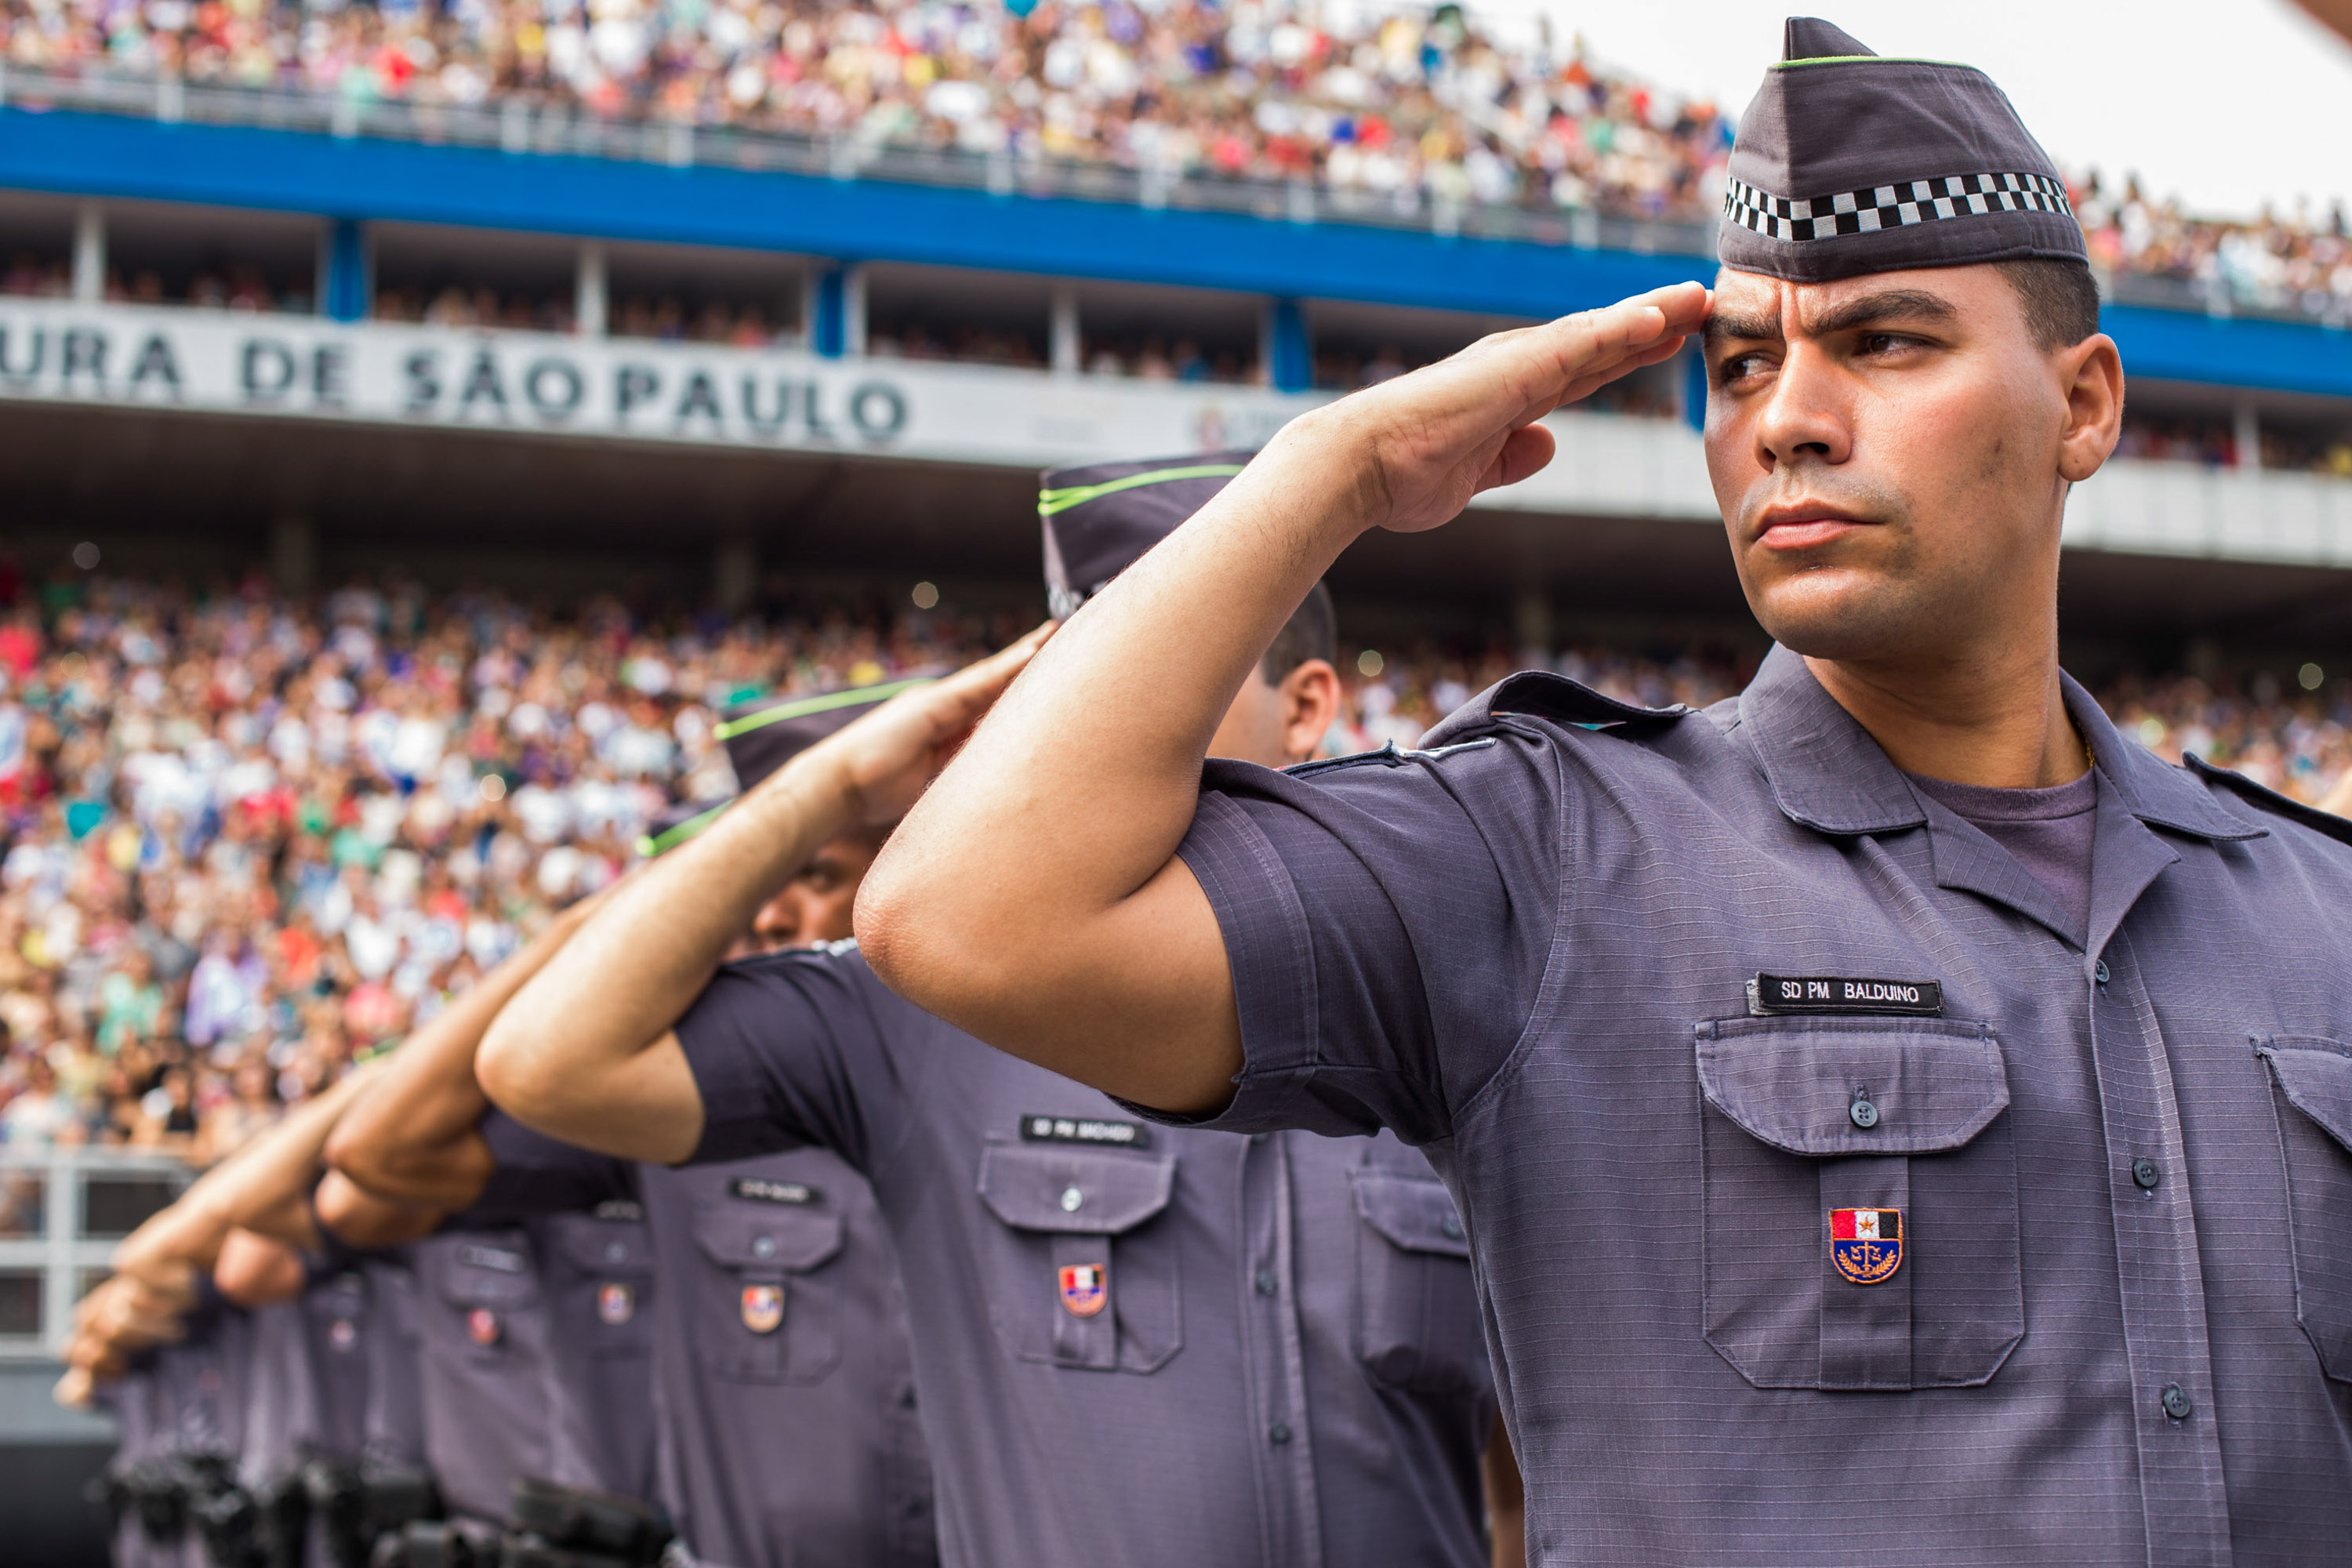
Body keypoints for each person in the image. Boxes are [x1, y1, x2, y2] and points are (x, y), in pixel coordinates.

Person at [851, 17, 2352, 1566]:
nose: (1788, 418)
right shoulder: (1548, 852)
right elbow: (965, 917)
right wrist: (1335, 469)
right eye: (1742, 364)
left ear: (2085, 406)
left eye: (1888, 342)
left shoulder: (2317, 910)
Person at [476, 586, 1521, 1566]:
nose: (1114, 718)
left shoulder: (1447, 1004)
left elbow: (1518, 1470)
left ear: (1305, 709)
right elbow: (549, 1061)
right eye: (1079, 681)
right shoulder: (923, 1010)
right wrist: (830, 787)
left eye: (1170, 660)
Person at [324, 684, 940, 1568]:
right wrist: (603, 923)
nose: (766, 915)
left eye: (812, 876)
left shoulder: (1025, 1068)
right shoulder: (682, 1105)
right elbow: (378, 1153)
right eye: (754, 888)